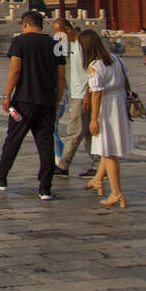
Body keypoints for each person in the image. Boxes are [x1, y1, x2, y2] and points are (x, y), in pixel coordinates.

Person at [0, 10, 67, 200]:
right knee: (46, 144)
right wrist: (57, 100)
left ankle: (1, 177)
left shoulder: (20, 42)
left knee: (13, 140)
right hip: (47, 102)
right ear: (41, 24)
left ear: (25, 24)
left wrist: (7, 96)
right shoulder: (56, 44)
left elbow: (15, 70)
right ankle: (45, 188)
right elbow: (61, 77)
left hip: (24, 101)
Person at [80, 29, 132, 208]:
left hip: (107, 107)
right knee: (106, 148)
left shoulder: (95, 65)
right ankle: (97, 179)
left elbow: (96, 94)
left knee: (108, 153)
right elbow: (126, 83)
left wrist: (93, 119)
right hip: (119, 103)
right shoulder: (115, 58)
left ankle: (117, 193)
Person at [53, 18, 94, 178]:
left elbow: (93, 71)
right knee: (87, 133)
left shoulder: (84, 43)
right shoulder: (69, 45)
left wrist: (88, 94)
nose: (57, 36)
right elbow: (60, 66)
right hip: (76, 94)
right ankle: (98, 164)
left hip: (84, 95)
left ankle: (63, 165)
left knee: (74, 132)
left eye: (59, 32)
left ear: (68, 29)